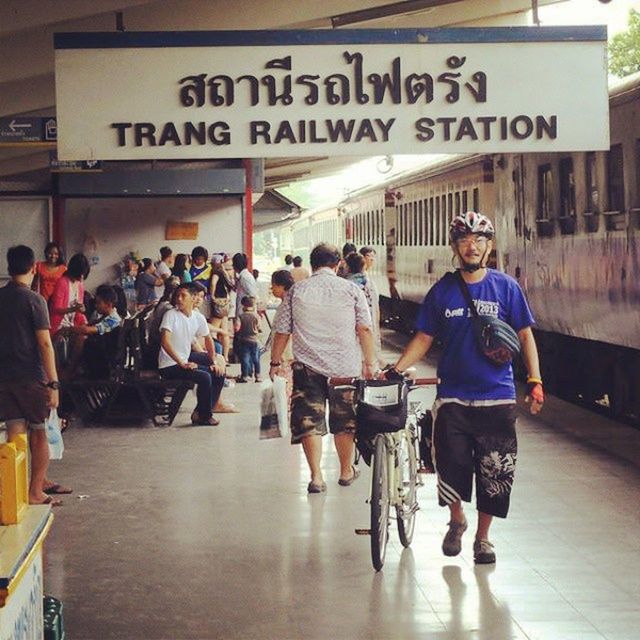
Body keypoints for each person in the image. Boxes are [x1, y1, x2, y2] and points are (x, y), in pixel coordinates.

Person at [386, 212, 544, 565]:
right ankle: (456, 519)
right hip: (453, 396)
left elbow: (525, 335)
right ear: (455, 247)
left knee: (495, 471)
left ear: (488, 246)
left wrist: (535, 380)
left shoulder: (506, 287)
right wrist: (394, 369)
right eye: (464, 240)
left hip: (498, 395)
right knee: (451, 465)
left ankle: (483, 539)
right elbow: (424, 338)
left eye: (478, 240)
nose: (471, 246)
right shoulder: (442, 291)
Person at [270, 242, 377, 494]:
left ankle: (316, 477)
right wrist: (370, 362)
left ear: (312, 264)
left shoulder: (296, 291)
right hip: (344, 369)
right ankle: (345, 471)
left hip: (308, 367)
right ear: (338, 263)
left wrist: (275, 362)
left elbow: (282, 330)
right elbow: (365, 329)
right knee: (345, 421)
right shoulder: (351, 290)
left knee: (309, 420)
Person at [0, 245, 63, 506]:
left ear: (8, 267)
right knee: (39, 433)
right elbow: (45, 344)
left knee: (15, 433)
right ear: (34, 267)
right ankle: (35, 491)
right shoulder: (35, 300)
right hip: (31, 377)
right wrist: (54, 383)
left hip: (5, 377)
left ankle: (16, 491)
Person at [158, 283, 225, 426]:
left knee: (219, 371)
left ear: (193, 298)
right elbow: (165, 342)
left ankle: (199, 412)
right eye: (177, 296)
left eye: (183, 296)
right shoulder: (170, 315)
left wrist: (213, 361)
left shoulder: (197, 317)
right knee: (205, 376)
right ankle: (205, 416)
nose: (179, 299)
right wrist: (182, 363)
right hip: (169, 364)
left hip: (185, 358)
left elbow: (208, 339)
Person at [57, 284, 122, 378]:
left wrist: (67, 329)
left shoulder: (113, 320)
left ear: (108, 304)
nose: (96, 306)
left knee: (81, 338)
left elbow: (87, 329)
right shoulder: (106, 316)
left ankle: (70, 370)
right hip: (102, 349)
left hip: (105, 356)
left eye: (99, 303)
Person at [359, 246, 383, 364]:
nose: (372, 259)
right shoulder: (362, 280)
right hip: (367, 324)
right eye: (369, 256)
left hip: (372, 324)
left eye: (373, 256)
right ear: (362, 258)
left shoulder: (368, 277)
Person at [210, 254, 233, 359]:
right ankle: (226, 356)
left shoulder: (216, 272)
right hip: (226, 304)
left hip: (218, 303)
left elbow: (213, 284)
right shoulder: (225, 272)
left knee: (212, 331)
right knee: (224, 331)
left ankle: (217, 355)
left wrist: (212, 295)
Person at [235, 296, 262, 383]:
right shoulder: (257, 316)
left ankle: (245, 376)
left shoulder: (241, 316)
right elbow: (259, 327)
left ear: (243, 305)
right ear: (253, 305)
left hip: (244, 340)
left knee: (245, 358)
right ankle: (258, 376)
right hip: (255, 340)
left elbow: (237, 328)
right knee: (256, 358)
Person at [232, 253, 258, 324]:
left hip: (245, 311)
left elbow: (252, 294)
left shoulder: (244, 277)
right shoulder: (243, 275)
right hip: (244, 309)